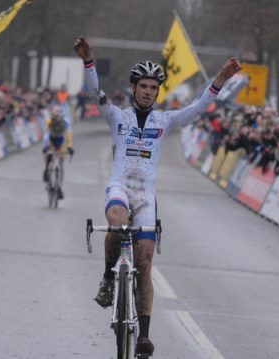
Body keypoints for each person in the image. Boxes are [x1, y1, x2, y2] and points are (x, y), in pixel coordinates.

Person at [73, 36, 241, 356]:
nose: (149, 91)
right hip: (121, 186)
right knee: (117, 222)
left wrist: (220, 78)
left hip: (146, 195)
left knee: (145, 262)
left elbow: (199, 107)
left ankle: (144, 337)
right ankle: (109, 277)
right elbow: (95, 92)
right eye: (144, 86)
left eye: (154, 87)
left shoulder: (165, 121)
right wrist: (88, 61)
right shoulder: (117, 116)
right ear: (134, 87)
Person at [42, 112, 73, 200]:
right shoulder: (49, 123)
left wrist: (70, 147)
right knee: (49, 154)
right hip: (51, 140)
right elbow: (46, 136)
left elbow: (68, 136)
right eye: (54, 122)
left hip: (61, 141)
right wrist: (45, 147)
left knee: (60, 162)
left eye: (58, 122)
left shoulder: (66, 123)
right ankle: (46, 169)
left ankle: (59, 187)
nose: (56, 124)